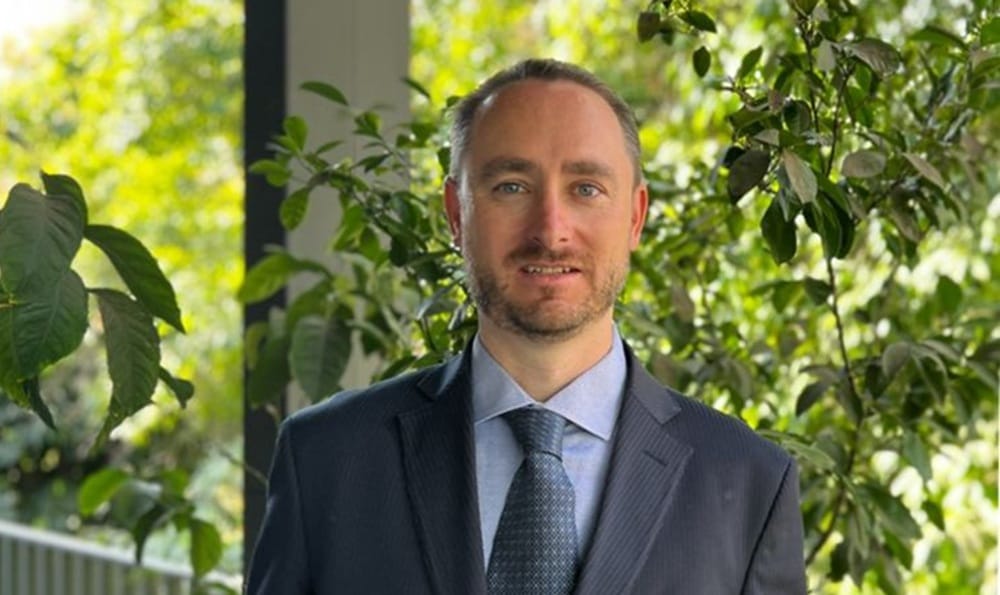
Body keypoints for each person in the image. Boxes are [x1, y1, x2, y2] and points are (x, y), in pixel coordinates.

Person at [246, 58, 807, 594]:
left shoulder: (749, 482)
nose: (551, 230)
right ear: (456, 214)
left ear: (635, 216)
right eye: (511, 186)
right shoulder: (325, 460)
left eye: (586, 188)